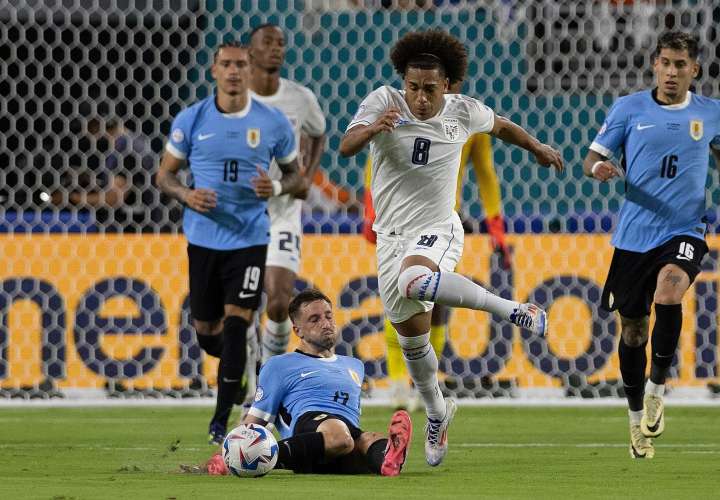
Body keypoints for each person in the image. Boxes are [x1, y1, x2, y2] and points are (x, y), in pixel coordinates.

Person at [339, 29, 563, 467]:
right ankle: (440, 411)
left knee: (414, 280)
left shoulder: (463, 113)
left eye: (429, 89)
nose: (419, 98)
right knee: (413, 341)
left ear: (448, 85)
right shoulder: (382, 102)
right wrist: (372, 128)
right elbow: (346, 147)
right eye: (413, 87)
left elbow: (502, 127)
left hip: (438, 226)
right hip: (391, 236)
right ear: (403, 82)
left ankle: (511, 309)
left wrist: (536, 147)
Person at [156, 41, 304, 445]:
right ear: (214, 70)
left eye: (241, 64)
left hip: (250, 238)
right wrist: (187, 195)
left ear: (251, 70)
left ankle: (222, 422)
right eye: (227, 64)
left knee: (239, 323)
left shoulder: (272, 122)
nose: (234, 71)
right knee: (207, 332)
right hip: (203, 239)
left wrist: (274, 185)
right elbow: (164, 176)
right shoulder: (192, 118)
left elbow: (298, 178)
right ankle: (237, 374)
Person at [583, 31, 720, 459]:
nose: (672, 72)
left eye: (681, 65)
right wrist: (600, 168)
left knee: (670, 289)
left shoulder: (711, 113)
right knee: (634, 331)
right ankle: (634, 415)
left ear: (694, 70)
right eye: (665, 63)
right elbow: (591, 158)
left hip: (685, 229)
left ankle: (659, 387)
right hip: (634, 237)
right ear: (654, 65)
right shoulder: (629, 108)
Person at [362, 79, 511, 409]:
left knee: (435, 298)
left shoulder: (466, 117)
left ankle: (420, 384)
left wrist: (496, 227)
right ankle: (398, 381)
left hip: (440, 221)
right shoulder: (400, 111)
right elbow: (374, 160)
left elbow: (485, 172)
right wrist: (370, 209)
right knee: (399, 294)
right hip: (397, 218)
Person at [190, 289, 413, 477]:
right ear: (298, 330)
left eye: (328, 316)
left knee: (369, 440)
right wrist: (222, 456)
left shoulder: (354, 365)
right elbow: (255, 421)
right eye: (314, 319)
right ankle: (262, 457)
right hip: (308, 426)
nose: (325, 323)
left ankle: (387, 461)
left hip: (340, 442)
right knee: (340, 436)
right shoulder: (279, 365)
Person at [247, 24, 327, 365]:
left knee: (279, 301)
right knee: (241, 304)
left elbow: (318, 133)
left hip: (282, 210)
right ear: (251, 52)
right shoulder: (235, 100)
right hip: (243, 212)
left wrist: (305, 177)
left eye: (280, 43)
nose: (276, 48)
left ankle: (269, 375)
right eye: (268, 43)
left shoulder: (299, 97)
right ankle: (247, 367)